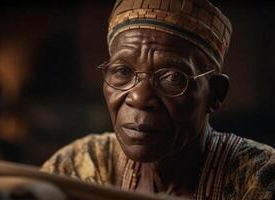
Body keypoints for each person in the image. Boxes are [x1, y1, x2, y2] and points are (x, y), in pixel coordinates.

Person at [41, 0, 275, 199]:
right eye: (122, 72)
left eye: (172, 77)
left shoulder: (260, 177)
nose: (140, 97)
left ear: (216, 94)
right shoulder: (82, 167)